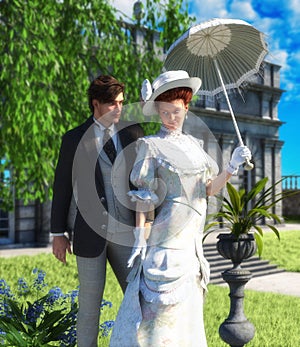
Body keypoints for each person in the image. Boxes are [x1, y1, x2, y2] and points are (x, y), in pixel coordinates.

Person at [109, 70, 252, 347]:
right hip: (165, 242)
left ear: (186, 107)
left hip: (191, 247)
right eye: (164, 113)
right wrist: (140, 238)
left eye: (175, 111)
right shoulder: (151, 145)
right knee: (157, 319)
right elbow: (144, 197)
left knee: (187, 317)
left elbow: (208, 189)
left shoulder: (195, 147)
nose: (170, 118)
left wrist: (232, 166)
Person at [50, 74, 144, 347]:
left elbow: (145, 179)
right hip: (89, 232)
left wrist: (145, 225)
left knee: (139, 300)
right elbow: (62, 187)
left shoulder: (133, 133)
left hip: (127, 232)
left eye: (121, 103)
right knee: (90, 307)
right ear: (95, 104)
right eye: (112, 104)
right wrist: (58, 233)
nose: (119, 109)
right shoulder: (74, 139)